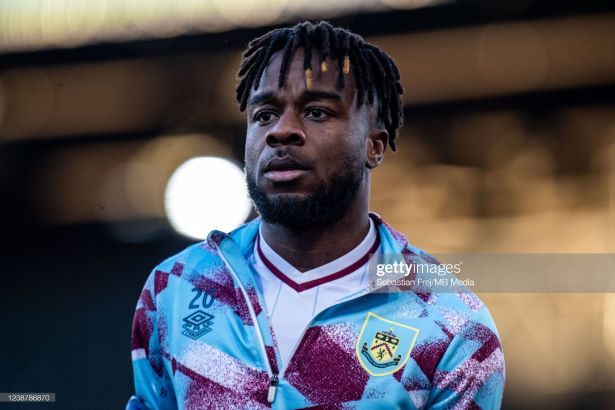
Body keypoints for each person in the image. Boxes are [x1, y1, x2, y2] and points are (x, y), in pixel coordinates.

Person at [128, 21, 505, 409]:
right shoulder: (177, 289)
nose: (281, 131)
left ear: (373, 147)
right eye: (264, 115)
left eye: (318, 112)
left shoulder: (450, 322)